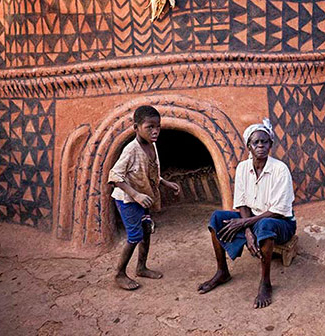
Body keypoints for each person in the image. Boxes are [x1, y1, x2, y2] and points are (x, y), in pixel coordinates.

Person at [198, 118, 296, 309]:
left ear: (271, 145)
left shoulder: (279, 169)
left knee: (266, 226)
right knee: (217, 218)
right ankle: (222, 271)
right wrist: (249, 232)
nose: (260, 145)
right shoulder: (243, 168)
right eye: (255, 142)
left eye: (264, 141)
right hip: (253, 220)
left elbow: (278, 211)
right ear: (248, 147)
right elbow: (242, 203)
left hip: (280, 222)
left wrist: (244, 224)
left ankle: (266, 282)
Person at [108, 105, 180, 290]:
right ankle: (119, 274)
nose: (155, 131)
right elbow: (115, 176)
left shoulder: (152, 145)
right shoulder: (131, 149)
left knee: (146, 230)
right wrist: (136, 194)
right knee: (135, 235)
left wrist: (165, 183)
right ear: (136, 127)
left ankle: (141, 267)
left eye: (158, 126)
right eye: (149, 127)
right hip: (127, 199)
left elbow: (149, 171)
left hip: (143, 197)